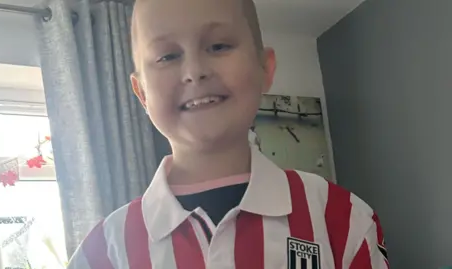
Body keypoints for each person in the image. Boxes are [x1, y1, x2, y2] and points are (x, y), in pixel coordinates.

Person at [67, 0, 389, 268]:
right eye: (167, 56)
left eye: (218, 46)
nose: (194, 71)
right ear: (141, 94)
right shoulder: (102, 254)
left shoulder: (344, 219)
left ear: (266, 69)